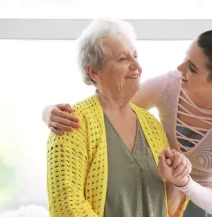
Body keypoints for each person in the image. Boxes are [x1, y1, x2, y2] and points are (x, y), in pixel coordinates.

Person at [44, 23, 212, 217]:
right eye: (186, 57)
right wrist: (49, 112)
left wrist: (183, 181)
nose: (179, 68)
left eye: (192, 68)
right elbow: (112, 100)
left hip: (202, 207)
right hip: (169, 195)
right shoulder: (169, 85)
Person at [46, 18, 191, 217]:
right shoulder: (71, 124)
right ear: (94, 71)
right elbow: (66, 206)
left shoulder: (151, 124)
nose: (137, 66)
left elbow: (167, 209)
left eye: (135, 56)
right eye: (123, 59)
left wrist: (178, 179)